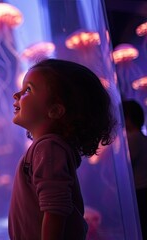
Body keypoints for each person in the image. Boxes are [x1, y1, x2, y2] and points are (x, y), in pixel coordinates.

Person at [8, 59, 116, 240]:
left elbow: (55, 208)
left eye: (28, 90)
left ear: (56, 111)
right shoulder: (47, 147)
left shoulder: (48, 148)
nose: (16, 95)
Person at [122, 99, 147, 238]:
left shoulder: (133, 139)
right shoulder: (142, 137)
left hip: (139, 190)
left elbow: (127, 163)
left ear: (128, 118)